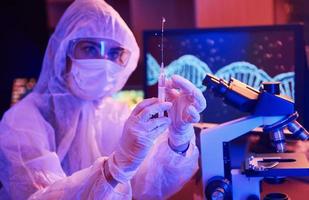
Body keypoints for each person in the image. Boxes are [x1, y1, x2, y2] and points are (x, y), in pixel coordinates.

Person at [0, 0, 206, 199]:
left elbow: (152, 187)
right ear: (63, 52)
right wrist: (115, 169)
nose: (105, 63)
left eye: (115, 52)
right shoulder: (21, 122)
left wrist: (177, 140)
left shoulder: (116, 114)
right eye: (90, 48)